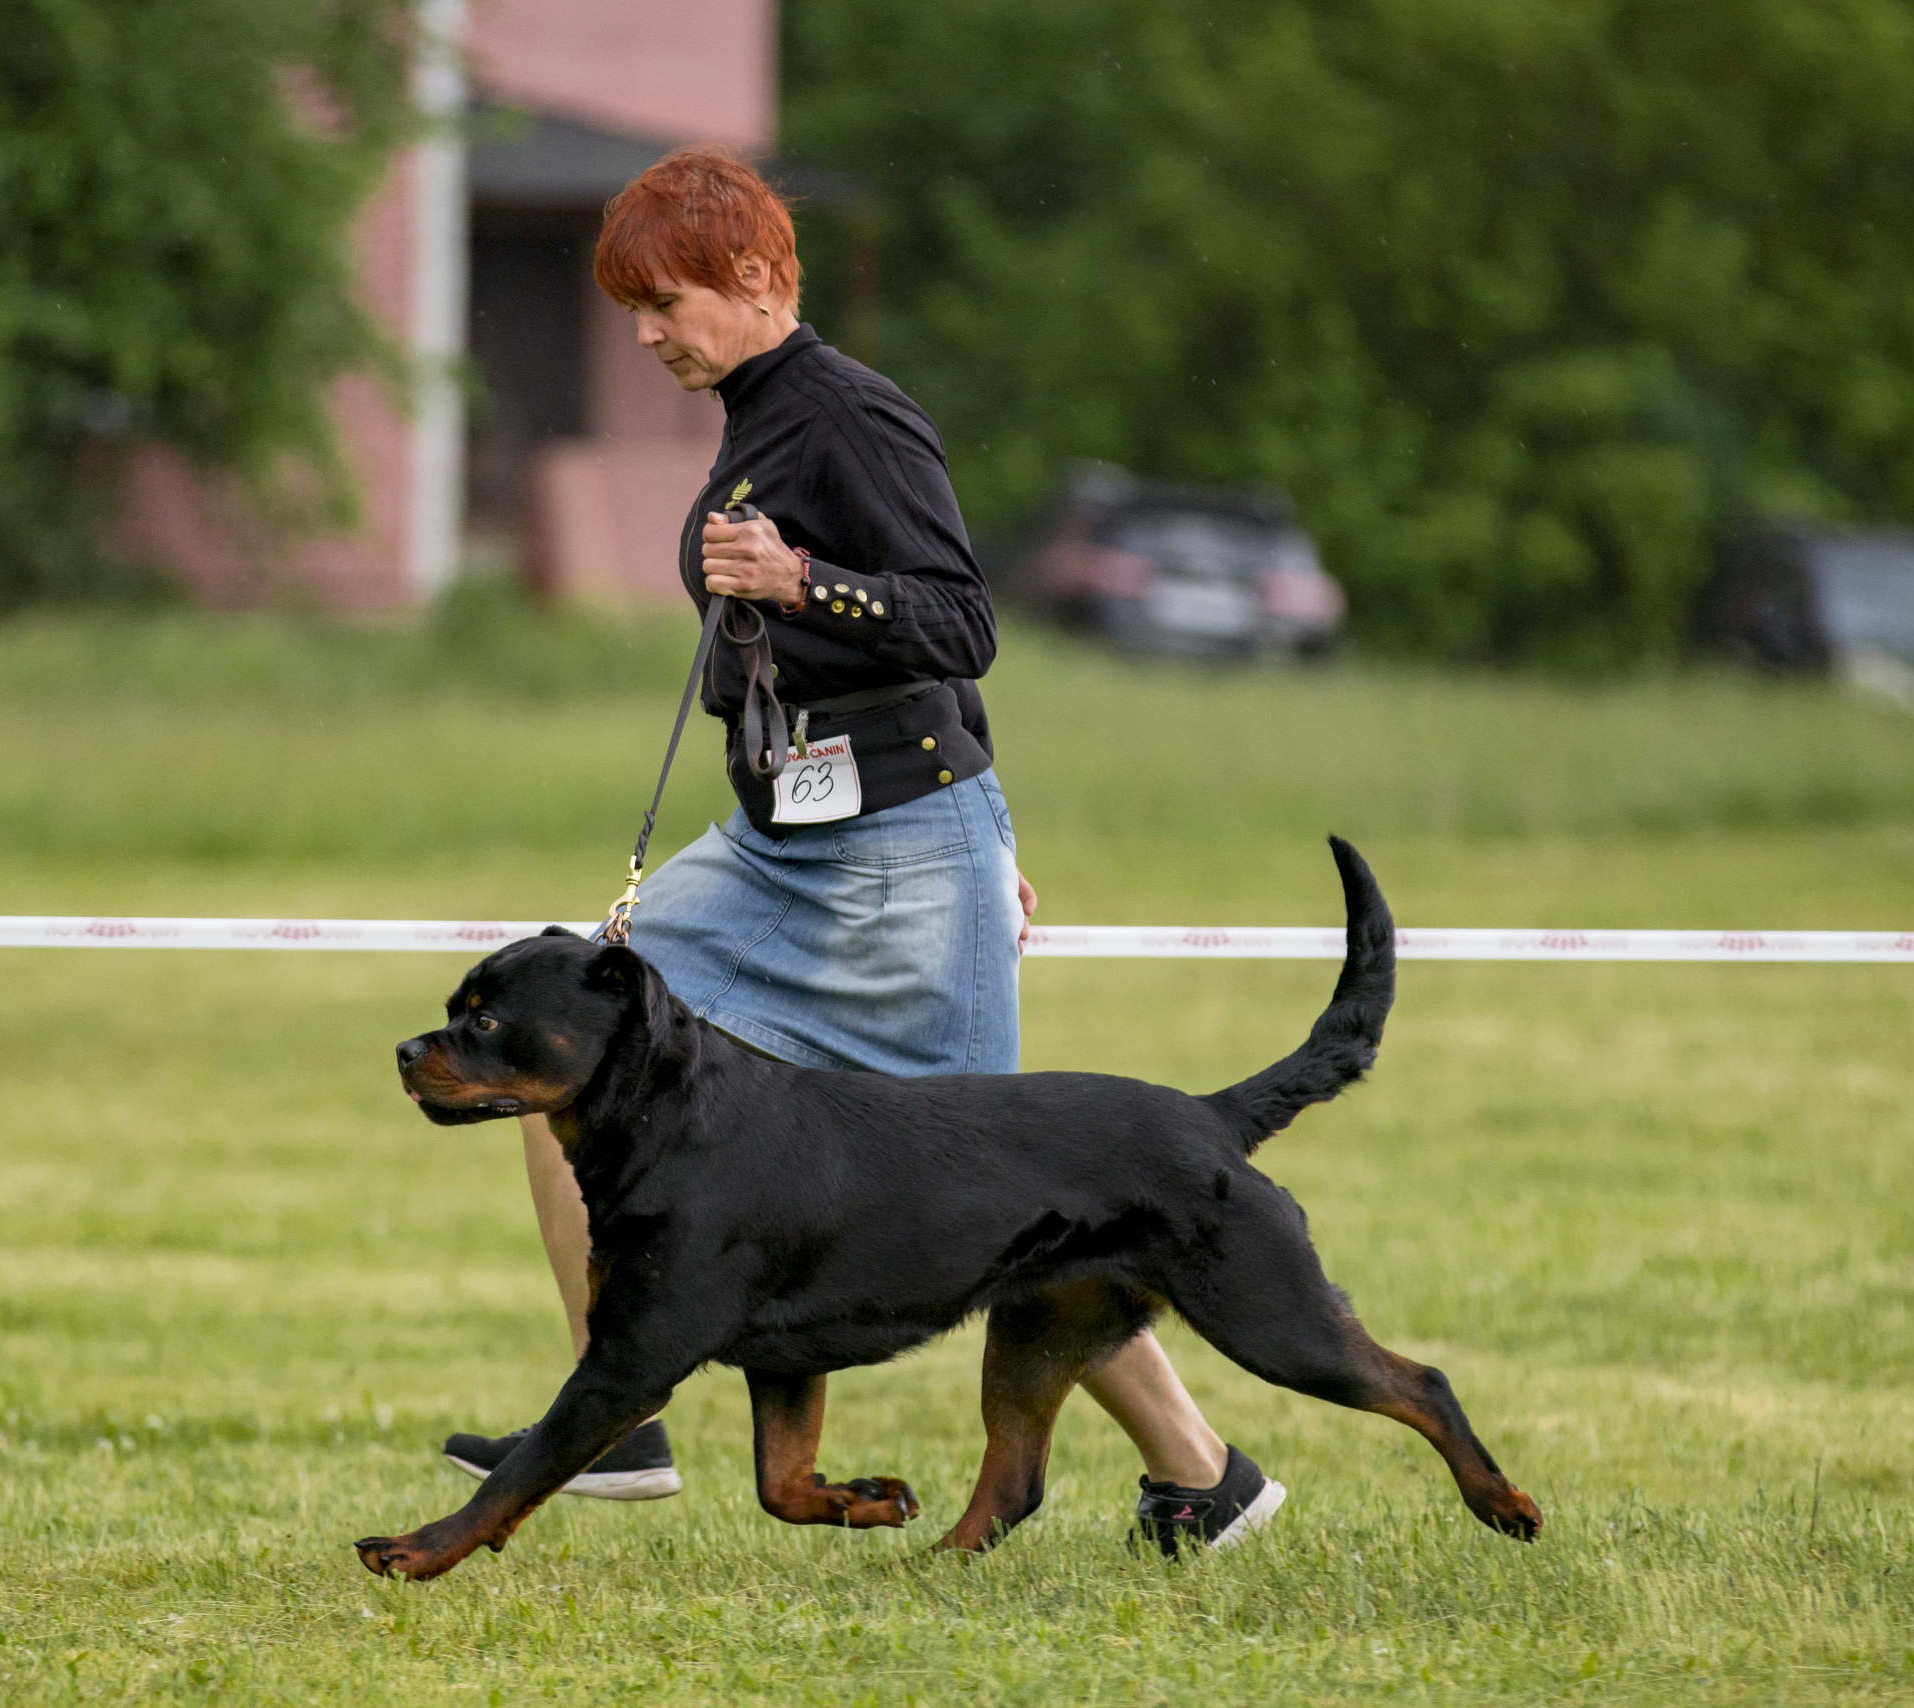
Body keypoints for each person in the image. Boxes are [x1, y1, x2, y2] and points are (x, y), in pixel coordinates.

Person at [439, 147, 1285, 1556]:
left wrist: (826, 614)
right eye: (629, 309)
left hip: (901, 855)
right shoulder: (755, 410)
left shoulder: (849, 416)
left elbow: (961, 622)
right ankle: (615, 1415)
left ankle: (1207, 1473)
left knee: (1013, 1202)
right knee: (564, 1040)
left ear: (761, 279)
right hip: (779, 847)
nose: (644, 334)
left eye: (666, 303)